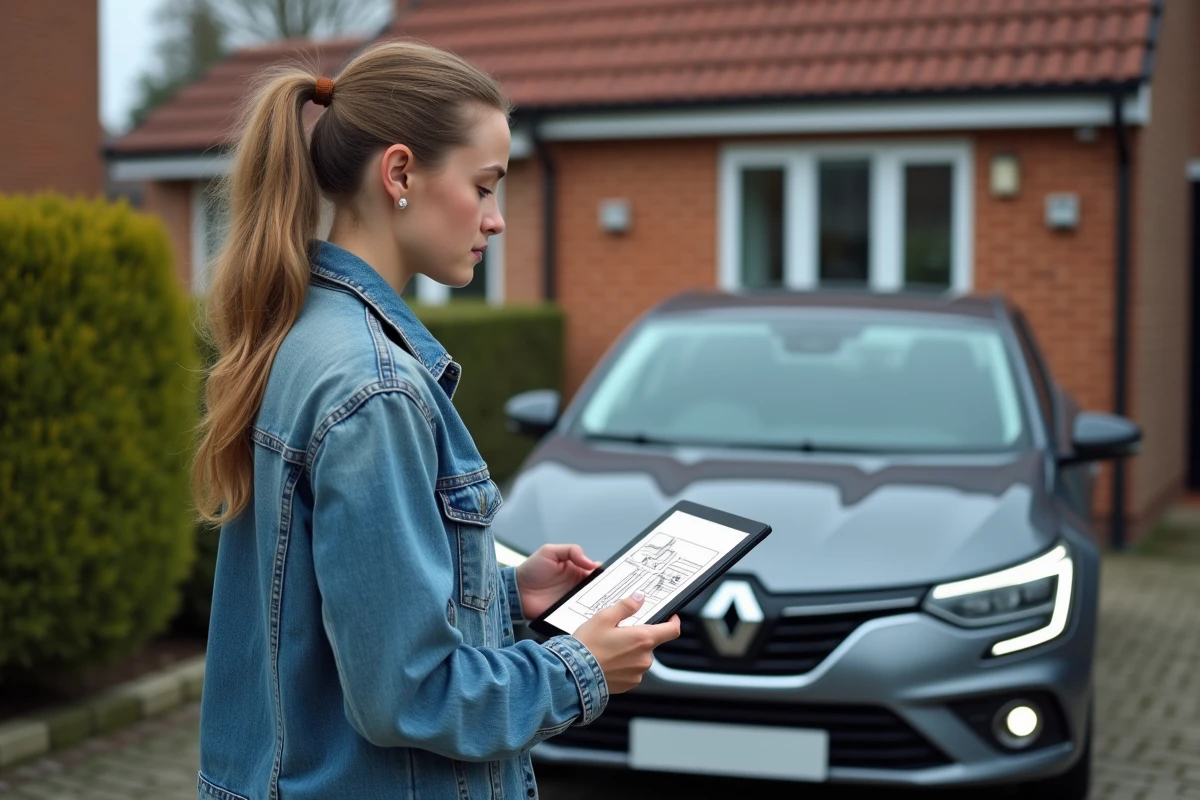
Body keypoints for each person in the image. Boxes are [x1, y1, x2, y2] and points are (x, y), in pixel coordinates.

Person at [190, 39, 680, 800]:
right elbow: (409, 694)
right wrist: (580, 667)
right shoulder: (375, 388)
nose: (496, 220)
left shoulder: (299, 333)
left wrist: (504, 595)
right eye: (484, 187)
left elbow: (334, 612)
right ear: (399, 174)